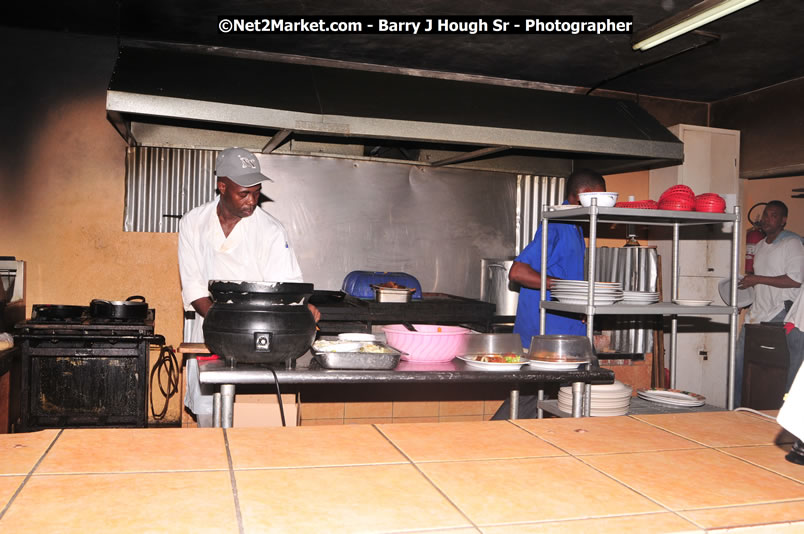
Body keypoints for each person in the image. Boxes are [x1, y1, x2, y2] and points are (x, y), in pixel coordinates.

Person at [178, 147, 319, 426]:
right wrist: (226, 324)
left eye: (256, 192)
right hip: (210, 330)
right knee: (210, 417)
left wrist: (303, 309)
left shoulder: (270, 230)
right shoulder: (193, 223)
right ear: (222, 186)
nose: (252, 200)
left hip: (260, 334)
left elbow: (286, 288)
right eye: (244, 193)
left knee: (253, 422)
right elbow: (193, 286)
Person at [491, 168, 606, 419]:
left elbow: (563, 275)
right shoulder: (557, 223)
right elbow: (518, 272)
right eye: (601, 198)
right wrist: (565, 288)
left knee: (552, 401)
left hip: (566, 335)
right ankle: (487, 445)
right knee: (535, 400)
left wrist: (578, 307)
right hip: (549, 340)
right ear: (583, 195)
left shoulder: (574, 226)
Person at [733, 200, 804, 406]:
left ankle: (772, 414)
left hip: (781, 314)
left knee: (771, 370)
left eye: (773, 215)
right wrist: (747, 287)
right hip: (757, 313)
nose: (766, 219)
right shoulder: (760, 245)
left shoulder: (792, 243)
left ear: (783, 221)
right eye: (765, 215)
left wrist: (757, 279)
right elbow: (763, 279)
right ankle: (739, 411)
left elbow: (795, 279)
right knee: (740, 365)